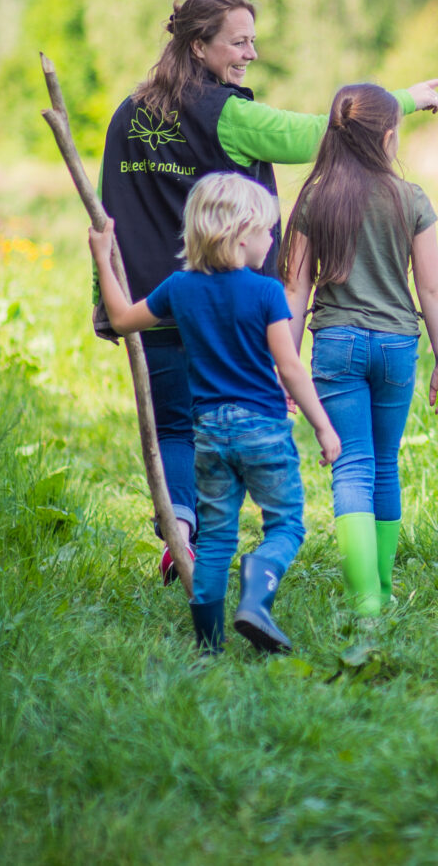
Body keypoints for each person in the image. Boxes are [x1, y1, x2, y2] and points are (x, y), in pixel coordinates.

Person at [98, 0, 438, 584]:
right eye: (239, 42)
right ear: (198, 44)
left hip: (151, 297)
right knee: (237, 419)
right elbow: (329, 131)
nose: (250, 55)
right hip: (230, 303)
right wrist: (403, 100)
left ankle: (181, 533)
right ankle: (259, 542)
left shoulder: (129, 113)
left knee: (176, 429)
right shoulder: (227, 115)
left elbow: (114, 208)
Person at [89, 173, 340, 655]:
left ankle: (208, 646)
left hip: (209, 433)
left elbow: (122, 320)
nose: (272, 240)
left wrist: (103, 254)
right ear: (241, 233)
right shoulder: (266, 293)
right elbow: (288, 366)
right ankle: (256, 590)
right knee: (286, 525)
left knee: (218, 534)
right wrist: (323, 427)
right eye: (267, 231)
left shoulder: (179, 288)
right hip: (263, 428)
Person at [281, 82, 438, 618]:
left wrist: (284, 368)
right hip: (399, 346)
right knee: (385, 463)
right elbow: (431, 289)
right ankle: (382, 584)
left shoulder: (315, 198)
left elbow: (294, 288)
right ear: (386, 135)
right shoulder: (411, 198)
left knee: (350, 465)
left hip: (336, 344)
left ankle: (366, 604)